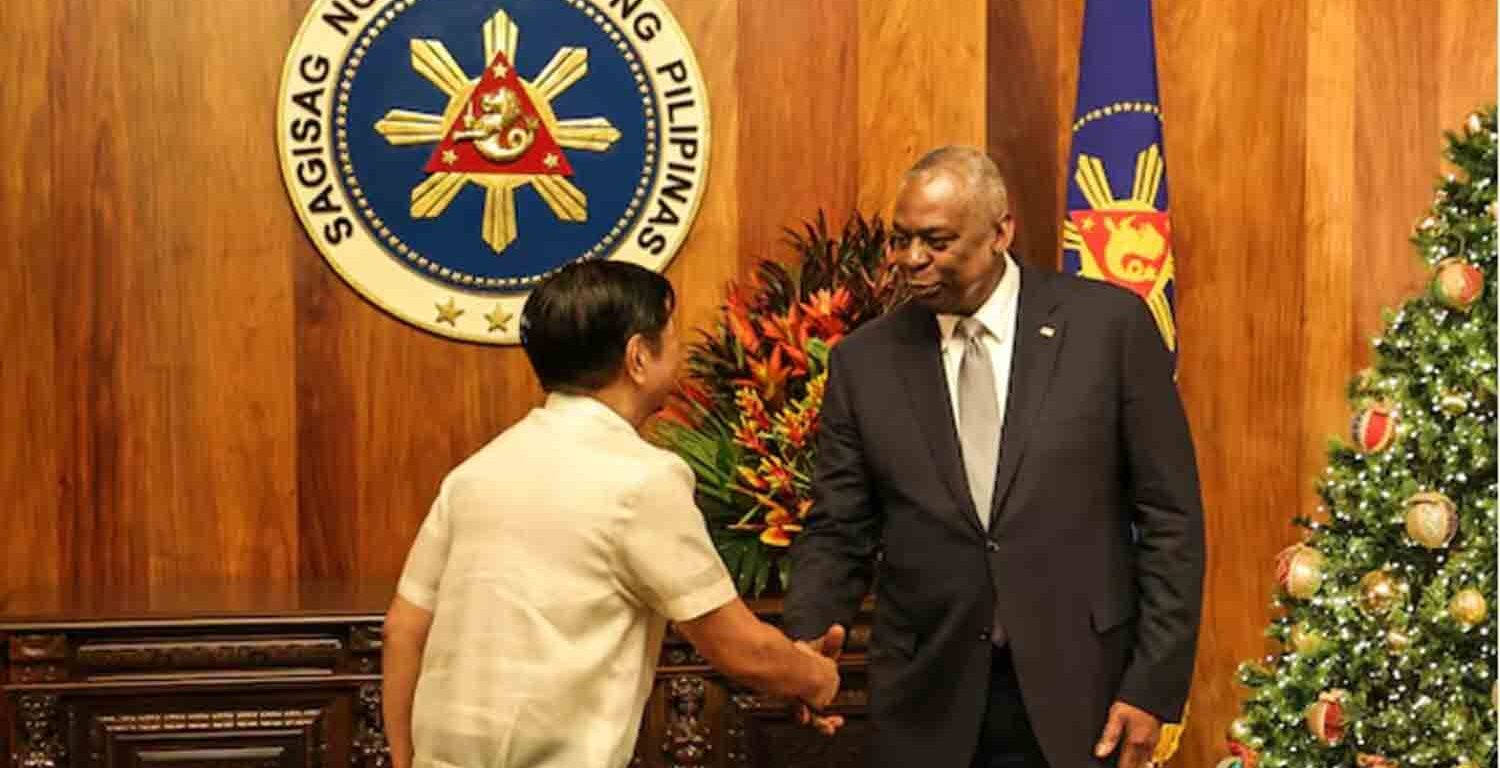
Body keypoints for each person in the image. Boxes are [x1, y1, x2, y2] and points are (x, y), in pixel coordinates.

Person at [784, 147, 1204, 768]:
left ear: (1000, 232)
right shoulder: (864, 362)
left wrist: (1152, 684)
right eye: (901, 240)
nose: (912, 261)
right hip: (927, 693)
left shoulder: (1107, 328)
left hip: (1081, 687)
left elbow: (1171, 517)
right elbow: (838, 526)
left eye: (937, 241)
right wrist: (806, 641)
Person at [382, 260, 841, 768]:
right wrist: (817, 677)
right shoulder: (644, 480)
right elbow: (740, 650)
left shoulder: (474, 473)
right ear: (638, 357)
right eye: (672, 337)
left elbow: (403, 629)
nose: (683, 352)